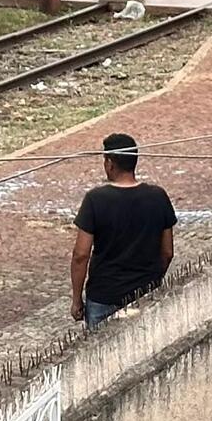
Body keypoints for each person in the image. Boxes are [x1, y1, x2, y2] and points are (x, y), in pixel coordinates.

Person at [70, 133, 177, 327]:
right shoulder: (158, 197)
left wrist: (77, 299)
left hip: (104, 295)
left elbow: (81, 255)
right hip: (145, 291)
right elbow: (167, 252)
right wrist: (153, 280)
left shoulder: (95, 199)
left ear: (110, 163)